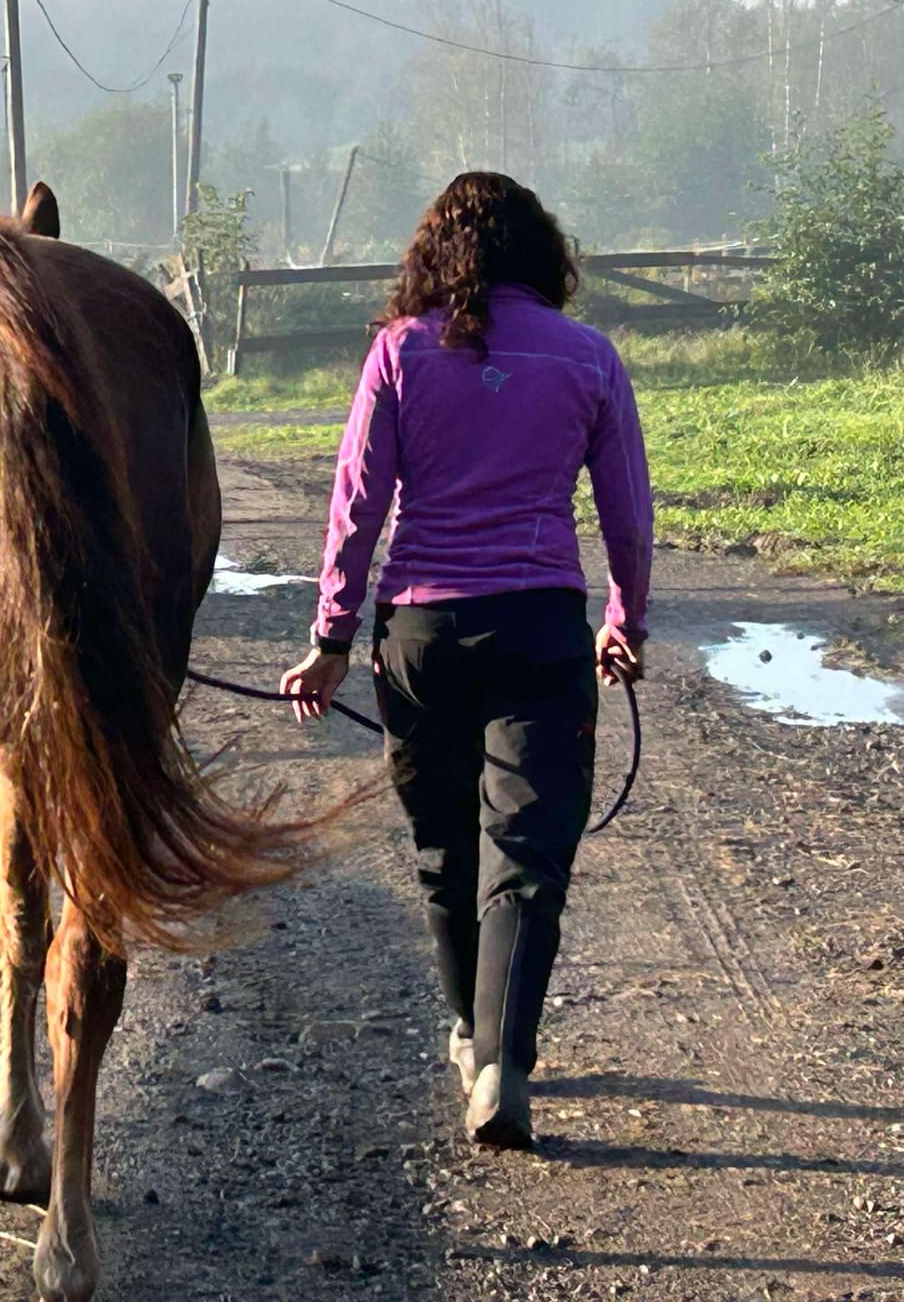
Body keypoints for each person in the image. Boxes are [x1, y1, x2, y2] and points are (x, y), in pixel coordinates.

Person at [278, 171, 651, 1149]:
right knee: (525, 857)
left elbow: (357, 502)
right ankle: (500, 1064)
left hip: (421, 635)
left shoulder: (401, 350)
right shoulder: (587, 356)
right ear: (542, 252)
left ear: (434, 254)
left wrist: (329, 638)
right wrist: (624, 619)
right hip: (538, 627)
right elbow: (626, 511)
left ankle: (467, 1032)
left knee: (445, 850)